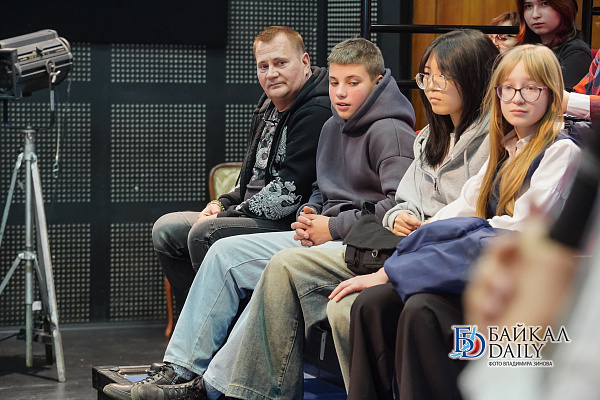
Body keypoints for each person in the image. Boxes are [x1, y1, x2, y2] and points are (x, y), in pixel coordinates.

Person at [105, 37, 417, 400]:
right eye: (334, 82)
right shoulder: (332, 126)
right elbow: (320, 187)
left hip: (357, 245)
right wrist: (310, 213)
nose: (341, 92)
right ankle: (180, 369)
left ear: (377, 81)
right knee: (222, 253)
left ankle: (207, 388)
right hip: (319, 234)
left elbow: (397, 209)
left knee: (249, 258)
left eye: (353, 82)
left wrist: (331, 227)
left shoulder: (390, 131)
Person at [224, 29, 498, 400]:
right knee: (253, 258)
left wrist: (338, 226)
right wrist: (318, 212)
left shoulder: (482, 143)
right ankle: (246, 390)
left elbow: (472, 217)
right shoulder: (428, 137)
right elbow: (399, 201)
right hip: (393, 245)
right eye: (427, 76)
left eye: (442, 77)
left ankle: (240, 388)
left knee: (285, 269)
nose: (431, 87)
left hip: (414, 253)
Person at [346, 43, 582, 400]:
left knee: (422, 310)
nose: (517, 98)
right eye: (507, 88)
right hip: (480, 269)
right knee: (372, 304)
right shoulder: (505, 147)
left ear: (551, 94)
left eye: (531, 88)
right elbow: (461, 208)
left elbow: (517, 232)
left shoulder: (562, 151)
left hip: (519, 287)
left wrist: (413, 258)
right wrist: (419, 241)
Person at [151, 26, 332, 308]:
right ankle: (201, 323)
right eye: (263, 66)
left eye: (281, 63)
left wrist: (226, 216)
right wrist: (219, 204)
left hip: (288, 222)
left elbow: (287, 195)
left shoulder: (316, 110)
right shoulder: (268, 105)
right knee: (166, 229)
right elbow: (252, 177)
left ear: (305, 61)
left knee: (204, 233)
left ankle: (220, 326)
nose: (271, 73)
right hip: (253, 214)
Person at [516, 0, 592, 90]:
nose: (535, 15)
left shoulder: (577, 53)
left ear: (564, 7)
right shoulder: (524, 47)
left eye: (544, 4)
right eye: (528, 6)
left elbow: (561, 98)